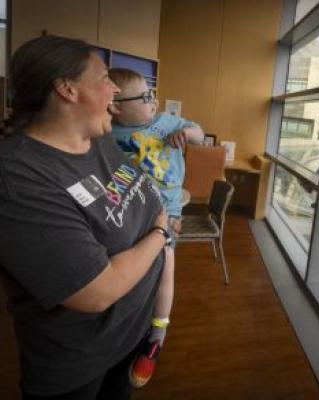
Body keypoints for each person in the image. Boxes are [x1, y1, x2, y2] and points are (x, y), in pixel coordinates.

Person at [0, 36, 170, 399]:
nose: (114, 89)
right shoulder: (17, 177)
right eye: (105, 77)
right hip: (78, 362)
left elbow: (140, 194)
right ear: (66, 88)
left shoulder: (99, 139)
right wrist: (160, 233)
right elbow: (96, 291)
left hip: (130, 333)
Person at [107, 68, 205, 387]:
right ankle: (119, 331)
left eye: (153, 94)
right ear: (116, 107)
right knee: (127, 269)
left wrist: (187, 135)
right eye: (145, 97)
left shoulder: (165, 122)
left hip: (168, 210)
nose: (154, 101)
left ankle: (156, 337)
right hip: (130, 212)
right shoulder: (108, 133)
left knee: (166, 273)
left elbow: (200, 133)